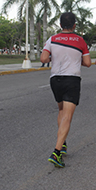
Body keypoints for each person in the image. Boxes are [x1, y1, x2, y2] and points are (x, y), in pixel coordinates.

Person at [40, 12, 91, 168]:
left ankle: (62, 144)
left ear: (60, 25)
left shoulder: (52, 39)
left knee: (61, 112)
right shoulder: (80, 41)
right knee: (67, 117)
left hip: (55, 80)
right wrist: (76, 59)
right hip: (72, 80)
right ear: (74, 25)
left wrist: (53, 58)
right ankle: (56, 152)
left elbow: (43, 59)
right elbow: (88, 63)